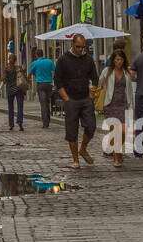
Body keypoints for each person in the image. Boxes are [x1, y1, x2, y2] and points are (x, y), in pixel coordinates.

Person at [55, 34, 99, 170]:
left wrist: (92, 91)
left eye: (83, 47)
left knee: (91, 126)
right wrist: (66, 99)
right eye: (78, 47)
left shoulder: (88, 60)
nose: (80, 49)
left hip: (85, 98)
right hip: (71, 99)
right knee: (72, 131)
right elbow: (58, 82)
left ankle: (83, 149)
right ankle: (75, 160)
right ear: (72, 45)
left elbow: (95, 78)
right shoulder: (63, 60)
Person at [99, 49, 134, 168]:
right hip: (111, 104)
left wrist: (131, 108)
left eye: (121, 59)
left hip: (124, 104)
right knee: (115, 132)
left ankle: (117, 151)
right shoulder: (107, 71)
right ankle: (116, 156)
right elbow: (99, 84)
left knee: (123, 131)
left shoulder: (126, 73)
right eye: (117, 59)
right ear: (113, 60)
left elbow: (129, 91)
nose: (119, 62)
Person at [29, 47, 56, 128]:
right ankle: (48, 119)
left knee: (43, 104)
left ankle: (45, 122)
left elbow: (30, 73)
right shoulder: (49, 61)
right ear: (43, 54)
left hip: (40, 84)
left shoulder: (35, 63)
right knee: (47, 102)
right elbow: (55, 70)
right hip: (49, 84)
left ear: (36, 55)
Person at [2, 53, 27, 130]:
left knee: (10, 107)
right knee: (20, 106)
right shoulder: (19, 68)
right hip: (19, 89)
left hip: (10, 90)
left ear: (9, 59)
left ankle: (11, 124)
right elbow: (24, 77)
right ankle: (20, 122)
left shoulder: (6, 69)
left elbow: (4, 80)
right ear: (16, 60)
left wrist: (0, 88)